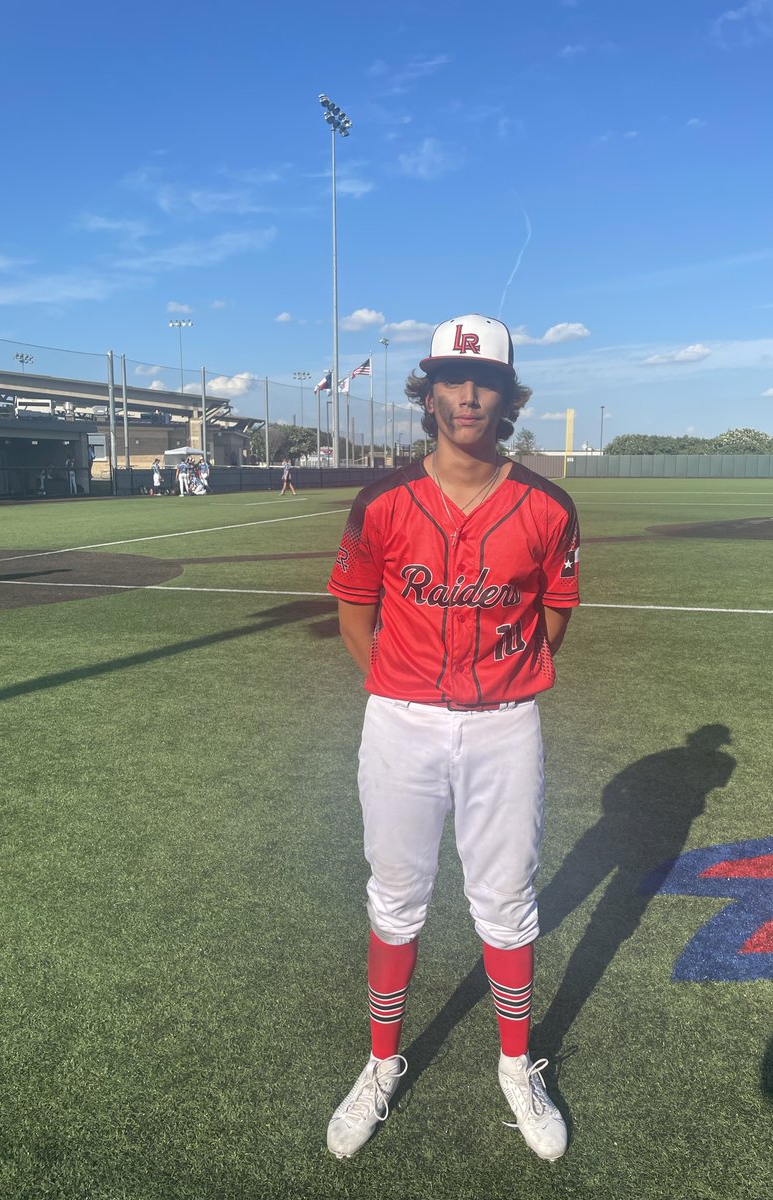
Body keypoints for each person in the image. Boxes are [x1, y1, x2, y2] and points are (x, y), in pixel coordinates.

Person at [326, 313, 581, 1162]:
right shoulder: (384, 503)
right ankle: (381, 1061)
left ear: (507, 398)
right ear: (428, 392)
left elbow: (554, 616)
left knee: (505, 903)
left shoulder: (547, 506)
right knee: (395, 897)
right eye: (449, 378)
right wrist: (402, 687)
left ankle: (516, 1066)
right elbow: (354, 610)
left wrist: (497, 685)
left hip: (507, 726)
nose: (467, 393)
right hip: (400, 723)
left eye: (485, 382)